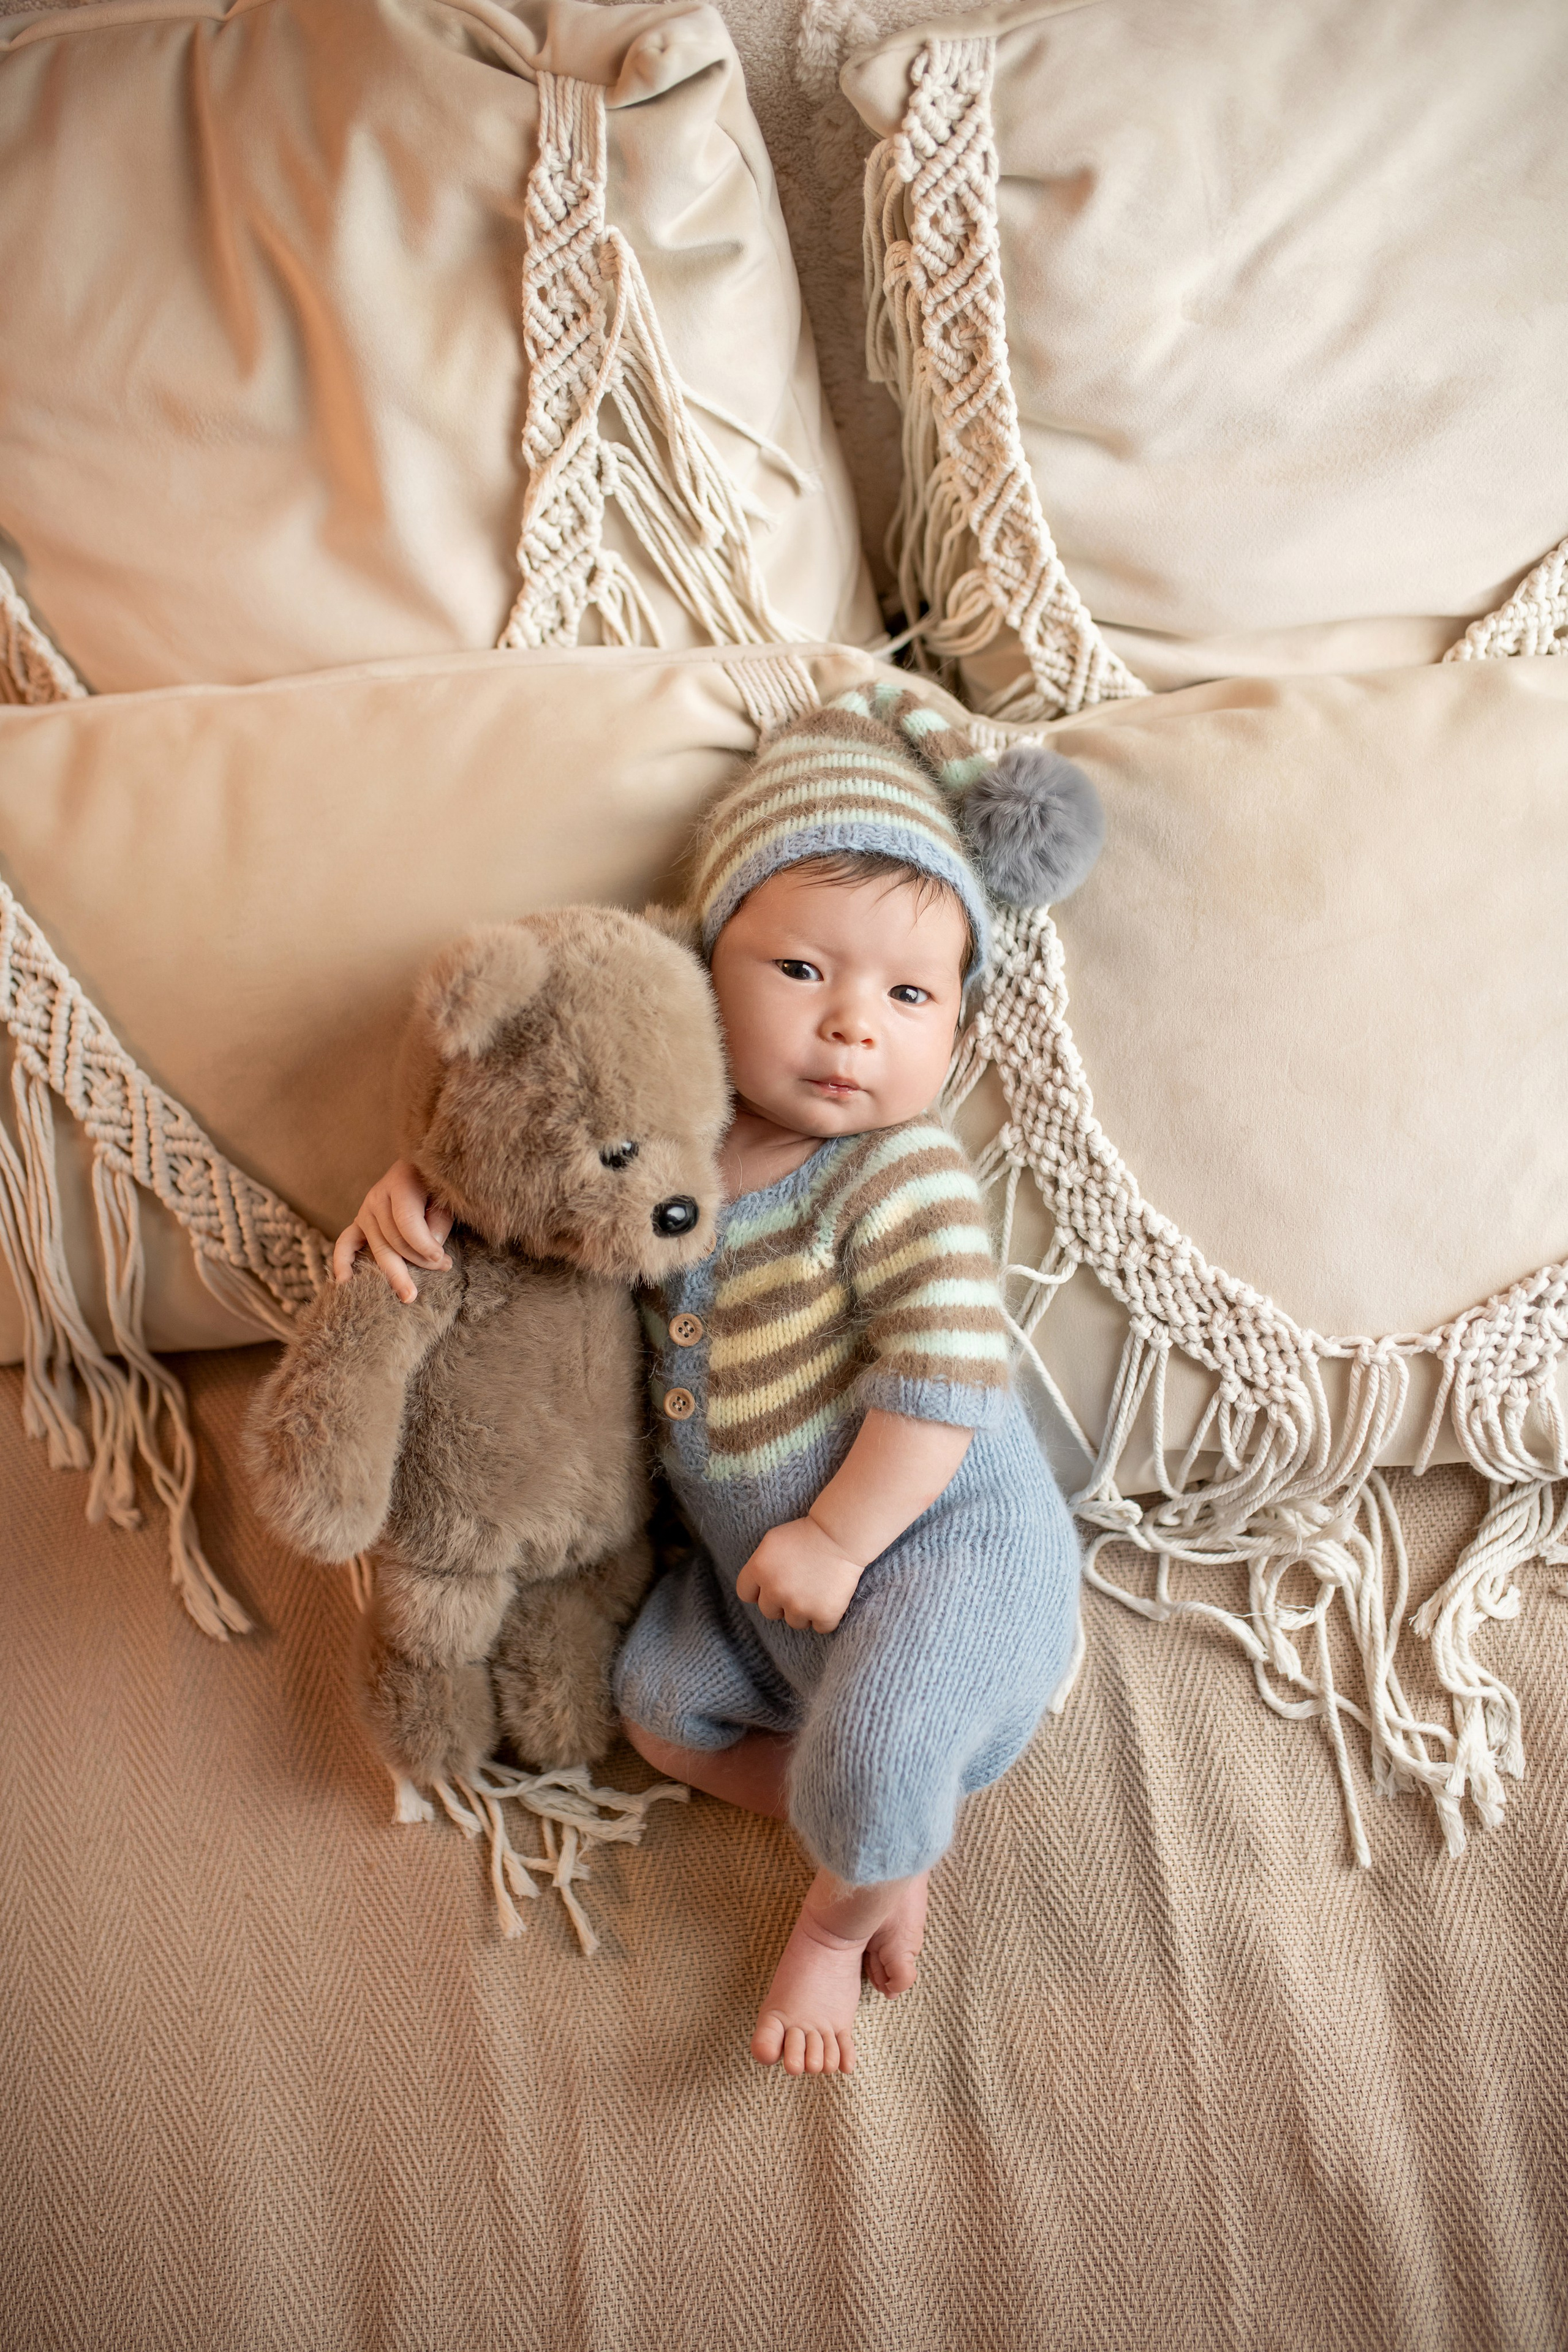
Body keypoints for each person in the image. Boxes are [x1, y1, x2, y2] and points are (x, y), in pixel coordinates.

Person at [334, 684, 1098, 2077]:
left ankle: (840, 1911)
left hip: (939, 1547)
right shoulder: (672, 1148)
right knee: (657, 1707)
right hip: (761, 1593)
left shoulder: (901, 1173)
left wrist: (841, 1538)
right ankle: (876, 1835)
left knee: (878, 1743)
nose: (853, 1026)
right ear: (702, 969)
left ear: (953, 1023)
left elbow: (943, 1386)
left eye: (909, 996)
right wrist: (426, 1183)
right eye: (803, 970)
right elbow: (547, 1160)